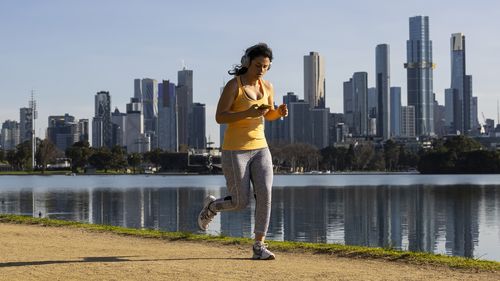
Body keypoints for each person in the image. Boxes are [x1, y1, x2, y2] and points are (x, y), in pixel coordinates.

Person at [197, 43, 288, 260]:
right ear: (247, 62)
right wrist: (247, 111)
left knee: (265, 194)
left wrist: (278, 113)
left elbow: (268, 115)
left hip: (261, 148)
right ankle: (211, 207)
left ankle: (259, 246)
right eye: (258, 65)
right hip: (235, 150)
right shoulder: (234, 86)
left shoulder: (267, 87)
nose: (261, 70)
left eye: (266, 66)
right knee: (240, 202)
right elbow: (220, 117)